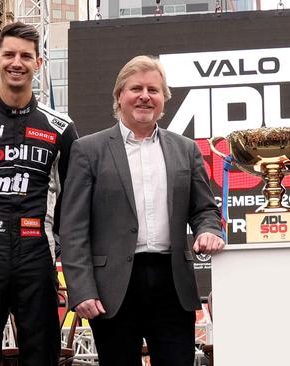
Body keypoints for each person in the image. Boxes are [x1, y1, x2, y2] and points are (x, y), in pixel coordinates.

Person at [60, 55, 224, 366]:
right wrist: (81, 289)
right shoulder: (88, 150)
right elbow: (73, 227)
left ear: (164, 100)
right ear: (119, 96)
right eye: (136, 88)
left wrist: (208, 230)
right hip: (112, 290)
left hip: (173, 286)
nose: (145, 96)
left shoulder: (186, 149)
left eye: (154, 90)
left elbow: (204, 208)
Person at [0, 22, 78, 365]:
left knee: (42, 352)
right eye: (9, 54)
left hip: (36, 251)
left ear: (38, 63)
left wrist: (53, 242)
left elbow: (71, 199)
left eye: (25, 55)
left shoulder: (61, 128)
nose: (16, 62)